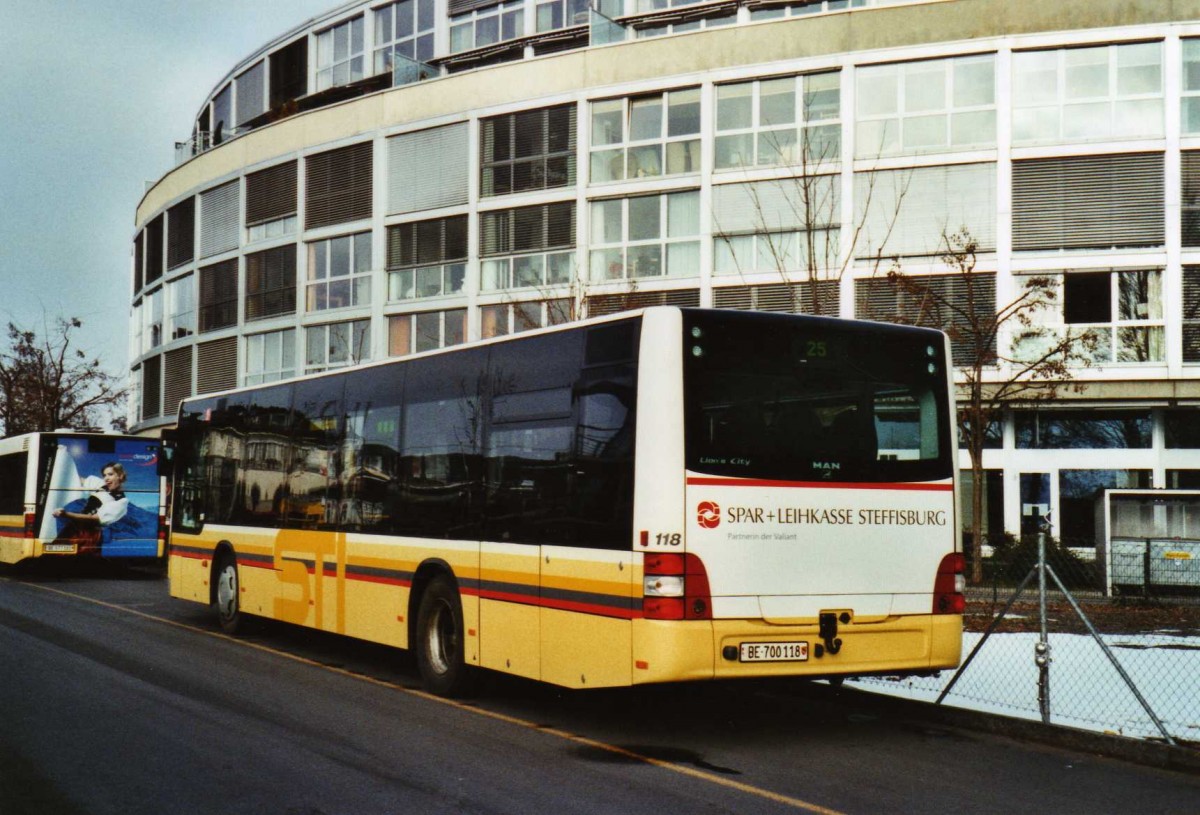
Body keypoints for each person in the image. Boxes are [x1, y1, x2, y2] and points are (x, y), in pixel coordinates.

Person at [52, 462, 129, 556]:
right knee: (54, 556)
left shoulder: (121, 501)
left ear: (120, 476)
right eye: (104, 475)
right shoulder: (101, 485)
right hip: (73, 527)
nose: (106, 478)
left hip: (88, 535)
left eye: (110, 474)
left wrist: (66, 514)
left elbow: (94, 518)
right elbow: (77, 479)